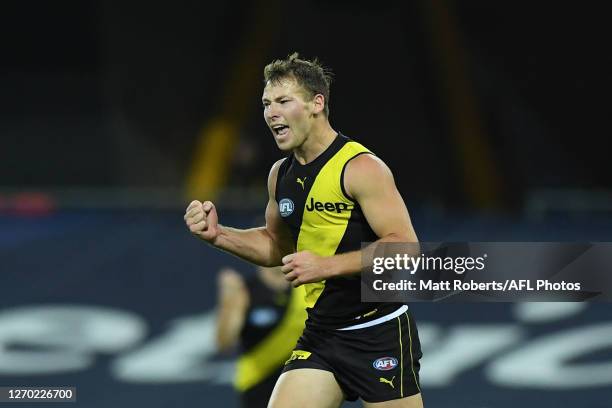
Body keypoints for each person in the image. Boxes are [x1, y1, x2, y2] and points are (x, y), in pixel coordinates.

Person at [185, 52, 423, 407]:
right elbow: (276, 248)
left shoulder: (360, 167)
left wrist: (327, 265)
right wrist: (220, 235)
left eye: (283, 101)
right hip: (322, 334)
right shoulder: (279, 175)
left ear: (317, 103)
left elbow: (406, 248)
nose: (271, 113)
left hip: (379, 332)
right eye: (266, 103)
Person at [215, 265, 307, 408]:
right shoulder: (245, 291)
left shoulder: (309, 288)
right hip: (258, 384)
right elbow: (224, 343)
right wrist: (229, 302)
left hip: (303, 383)